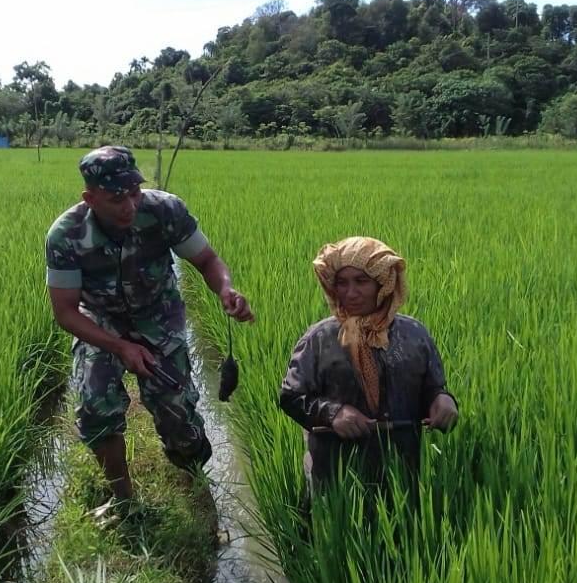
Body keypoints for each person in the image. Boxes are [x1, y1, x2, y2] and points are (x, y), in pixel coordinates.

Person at [46, 145, 255, 520]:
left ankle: (194, 482)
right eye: (115, 198)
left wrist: (225, 289)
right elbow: (65, 312)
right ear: (90, 198)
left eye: (134, 192)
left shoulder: (165, 211)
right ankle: (122, 498)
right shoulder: (66, 235)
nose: (129, 205)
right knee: (96, 405)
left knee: (177, 411)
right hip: (102, 320)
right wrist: (119, 346)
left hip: (158, 313)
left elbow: (207, 260)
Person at [279, 236, 457, 493]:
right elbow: (291, 396)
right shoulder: (319, 338)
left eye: (361, 282)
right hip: (335, 475)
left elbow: (432, 387)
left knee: (401, 529)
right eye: (342, 283)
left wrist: (443, 400)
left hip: (401, 473)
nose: (350, 293)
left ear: (383, 284)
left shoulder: (415, 335)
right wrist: (333, 413)